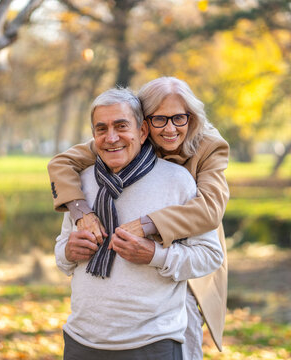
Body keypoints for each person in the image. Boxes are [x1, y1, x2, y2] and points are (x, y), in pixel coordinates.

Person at [49, 77, 229, 359]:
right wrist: (80, 217)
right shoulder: (103, 155)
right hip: (85, 335)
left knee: (189, 335)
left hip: (170, 295)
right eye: (160, 119)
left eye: (179, 118)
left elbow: (209, 212)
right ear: (146, 124)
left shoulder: (202, 154)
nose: (170, 129)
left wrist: (149, 229)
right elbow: (61, 163)